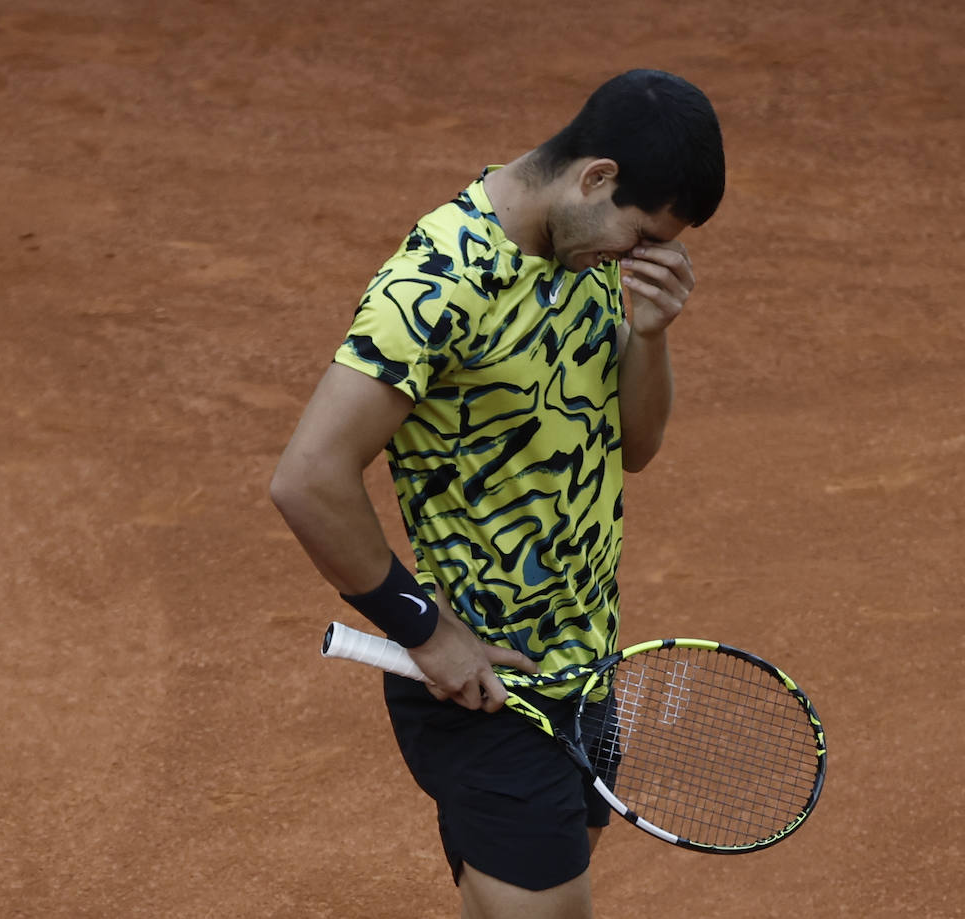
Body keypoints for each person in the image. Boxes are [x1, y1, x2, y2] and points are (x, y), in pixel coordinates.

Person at [270, 68, 725, 919]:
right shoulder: (438, 282)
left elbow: (636, 445)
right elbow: (307, 477)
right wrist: (428, 632)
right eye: (639, 236)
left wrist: (651, 337)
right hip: (486, 686)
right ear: (596, 176)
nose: (640, 259)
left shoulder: (582, 244)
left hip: (584, 663)